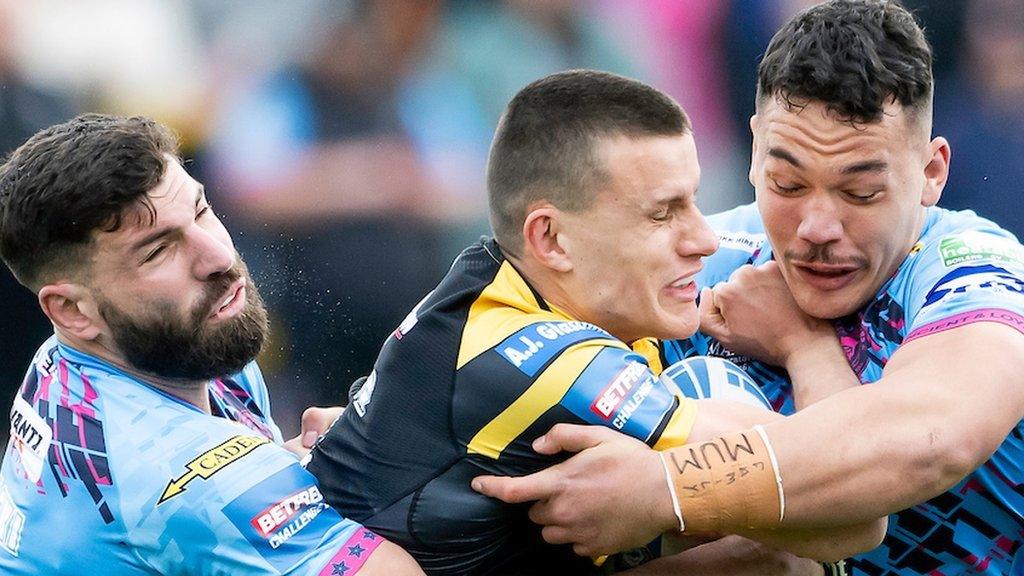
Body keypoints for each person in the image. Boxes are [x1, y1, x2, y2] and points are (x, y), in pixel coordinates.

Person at [472, 1, 1024, 574]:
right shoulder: (706, 257)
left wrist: (664, 489)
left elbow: (931, 440)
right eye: (787, 184)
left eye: (859, 193)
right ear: (756, 151)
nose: (816, 229)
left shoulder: (976, 272)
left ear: (932, 172)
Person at [304, 70, 884, 575]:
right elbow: (857, 511)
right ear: (551, 239)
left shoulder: (499, 279)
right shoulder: (546, 362)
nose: (705, 240)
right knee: (768, 537)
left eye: (694, 202)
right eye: (662, 214)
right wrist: (804, 344)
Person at [0, 114, 422, 575]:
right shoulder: (171, 469)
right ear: (71, 311)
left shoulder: (123, 349)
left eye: (201, 210)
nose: (220, 256)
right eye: (158, 250)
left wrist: (292, 465)